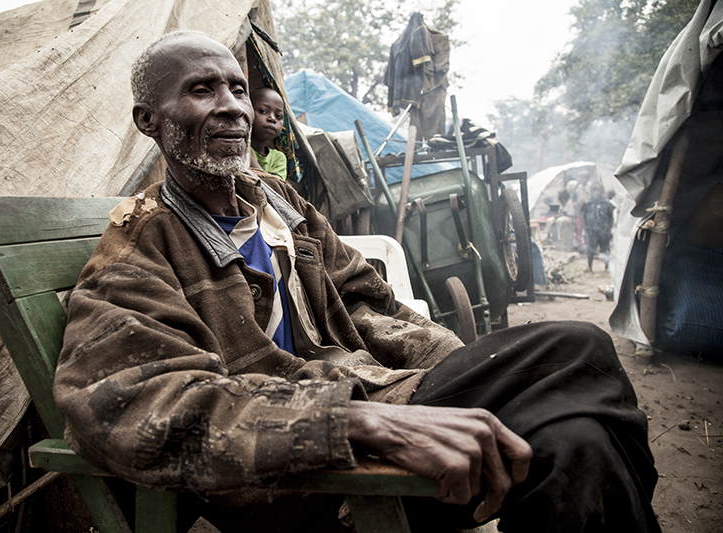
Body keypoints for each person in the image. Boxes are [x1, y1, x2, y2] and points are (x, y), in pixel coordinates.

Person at [53, 31, 660, 533]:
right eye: (201, 89)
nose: (234, 106)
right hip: (310, 475)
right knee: (577, 348)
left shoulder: (279, 204)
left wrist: (467, 374)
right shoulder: (137, 252)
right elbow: (129, 405)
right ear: (148, 120)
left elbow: (369, 302)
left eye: (238, 88)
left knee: (577, 440)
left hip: (382, 402)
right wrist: (356, 423)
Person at [249, 87, 287, 179]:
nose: (272, 119)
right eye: (263, 111)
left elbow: (274, 188)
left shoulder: (278, 157)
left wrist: (249, 157)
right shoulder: (235, 147)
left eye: (278, 116)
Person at [582, 181, 615, 271]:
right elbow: (584, 217)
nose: (596, 192)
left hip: (604, 230)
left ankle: (606, 267)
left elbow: (611, 217)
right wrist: (586, 229)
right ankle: (590, 267)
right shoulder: (587, 203)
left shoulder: (607, 203)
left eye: (598, 190)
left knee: (605, 250)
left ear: (602, 191)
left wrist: (609, 229)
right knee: (590, 250)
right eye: (594, 190)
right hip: (592, 231)